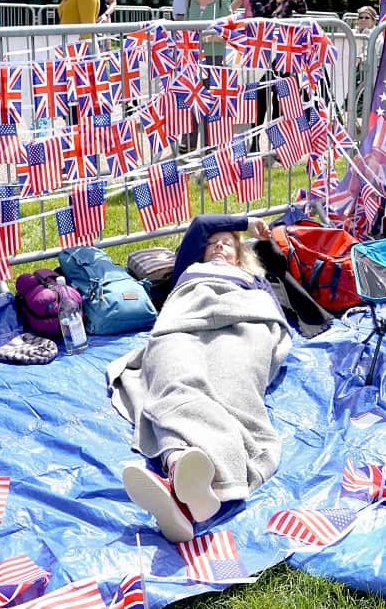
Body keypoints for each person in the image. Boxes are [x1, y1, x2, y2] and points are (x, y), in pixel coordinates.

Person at [108, 215, 290, 543]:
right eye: (213, 243)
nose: (219, 247)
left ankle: (180, 485)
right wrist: (245, 223)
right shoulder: (187, 271)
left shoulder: (253, 280)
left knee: (231, 387)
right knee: (172, 380)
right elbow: (200, 224)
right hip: (182, 324)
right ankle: (187, 482)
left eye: (228, 243)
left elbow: (272, 315)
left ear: (241, 253)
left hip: (241, 326)